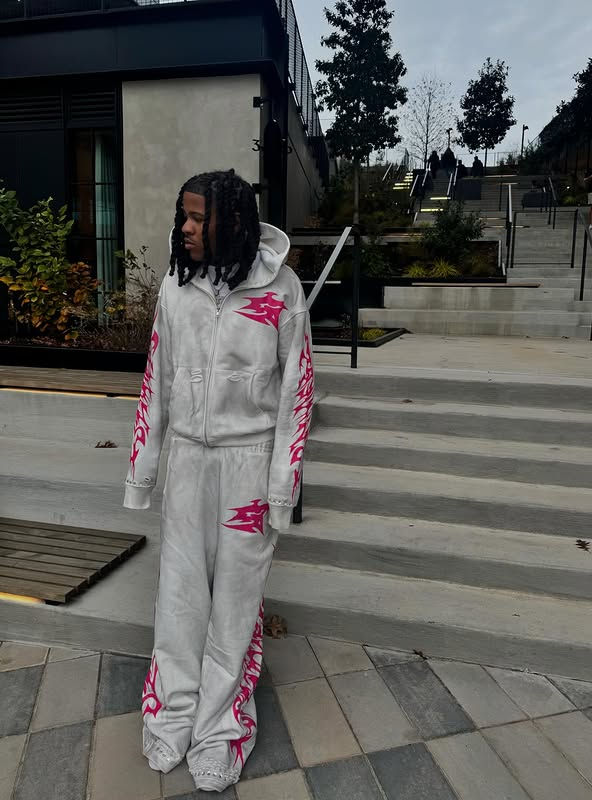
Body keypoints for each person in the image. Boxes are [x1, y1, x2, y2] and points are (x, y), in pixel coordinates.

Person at [123, 169, 313, 793]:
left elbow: (297, 393)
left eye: (197, 218)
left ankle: (222, 726)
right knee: (179, 596)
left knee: (234, 603)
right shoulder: (175, 288)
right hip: (186, 462)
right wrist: (142, 471)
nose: (184, 228)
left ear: (231, 220)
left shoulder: (281, 290)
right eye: (183, 215)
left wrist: (282, 487)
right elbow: (156, 379)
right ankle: (172, 711)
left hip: (247, 466)